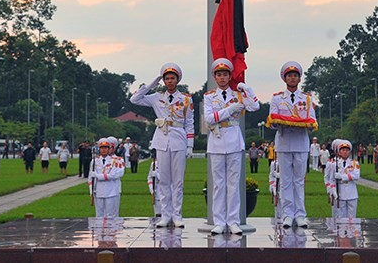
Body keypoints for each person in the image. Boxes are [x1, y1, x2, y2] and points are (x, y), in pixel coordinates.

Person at [130, 62, 194, 228]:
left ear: (177, 80)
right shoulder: (156, 97)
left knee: (178, 181)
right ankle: (165, 215)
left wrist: (190, 145)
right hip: (162, 139)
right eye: (166, 78)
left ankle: (177, 215)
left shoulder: (186, 99)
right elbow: (134, 98)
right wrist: (154, 82)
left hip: (179, 138)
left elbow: (190, 123)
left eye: (172, 78)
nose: (170, 81)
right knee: (164, 180)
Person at [204, 58, 260, 235]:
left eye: (225, 74)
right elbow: (209, 119)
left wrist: (247, 90)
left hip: (234, 141)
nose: (222, 78)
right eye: (219, 75)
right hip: (217, 141)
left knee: (234, 184)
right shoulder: (209, 97)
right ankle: (219, 221)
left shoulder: (238, 94)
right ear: (215, 77)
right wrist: (229, 110)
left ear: (229, 77)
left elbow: (255, 106)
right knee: (219, 184)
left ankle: (233, 221)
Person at [267, 61, 317, 229]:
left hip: (301, 142)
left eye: (295, 75)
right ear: (285, 78)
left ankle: (301, 215)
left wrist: (308, 124)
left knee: (299, 181)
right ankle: (287, 214)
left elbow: (313, 120)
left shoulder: (307, 99)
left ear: (299, 78)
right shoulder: (277, 98)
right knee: (286, 181)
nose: (292, 78)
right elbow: (272, 120)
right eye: (289, 76)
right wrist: (279, 123)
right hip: (284, 141)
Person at [89, 138, 125, 218]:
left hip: (111, 191)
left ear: (109, 149)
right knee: (99, 215)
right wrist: (91, 191)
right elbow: (90, 177)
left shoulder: (115, 161)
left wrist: (98, 176)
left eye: (105, 148)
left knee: (110, 215)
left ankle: (110, 230)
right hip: (98, 191)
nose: (103, 150)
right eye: (102, 148)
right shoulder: (95, 161)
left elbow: (114, 175)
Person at [334, 140, 360, 218]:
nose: (345, 152)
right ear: (339, 152)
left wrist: (342, 177)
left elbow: (356, 176)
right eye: (343, 150)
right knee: (341, 217)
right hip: (340, 192)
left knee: (352, 217)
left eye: (347, 150)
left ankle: (350, 230)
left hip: (351, 192)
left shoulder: (354, 163)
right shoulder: (336, 163)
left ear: (349, 152)